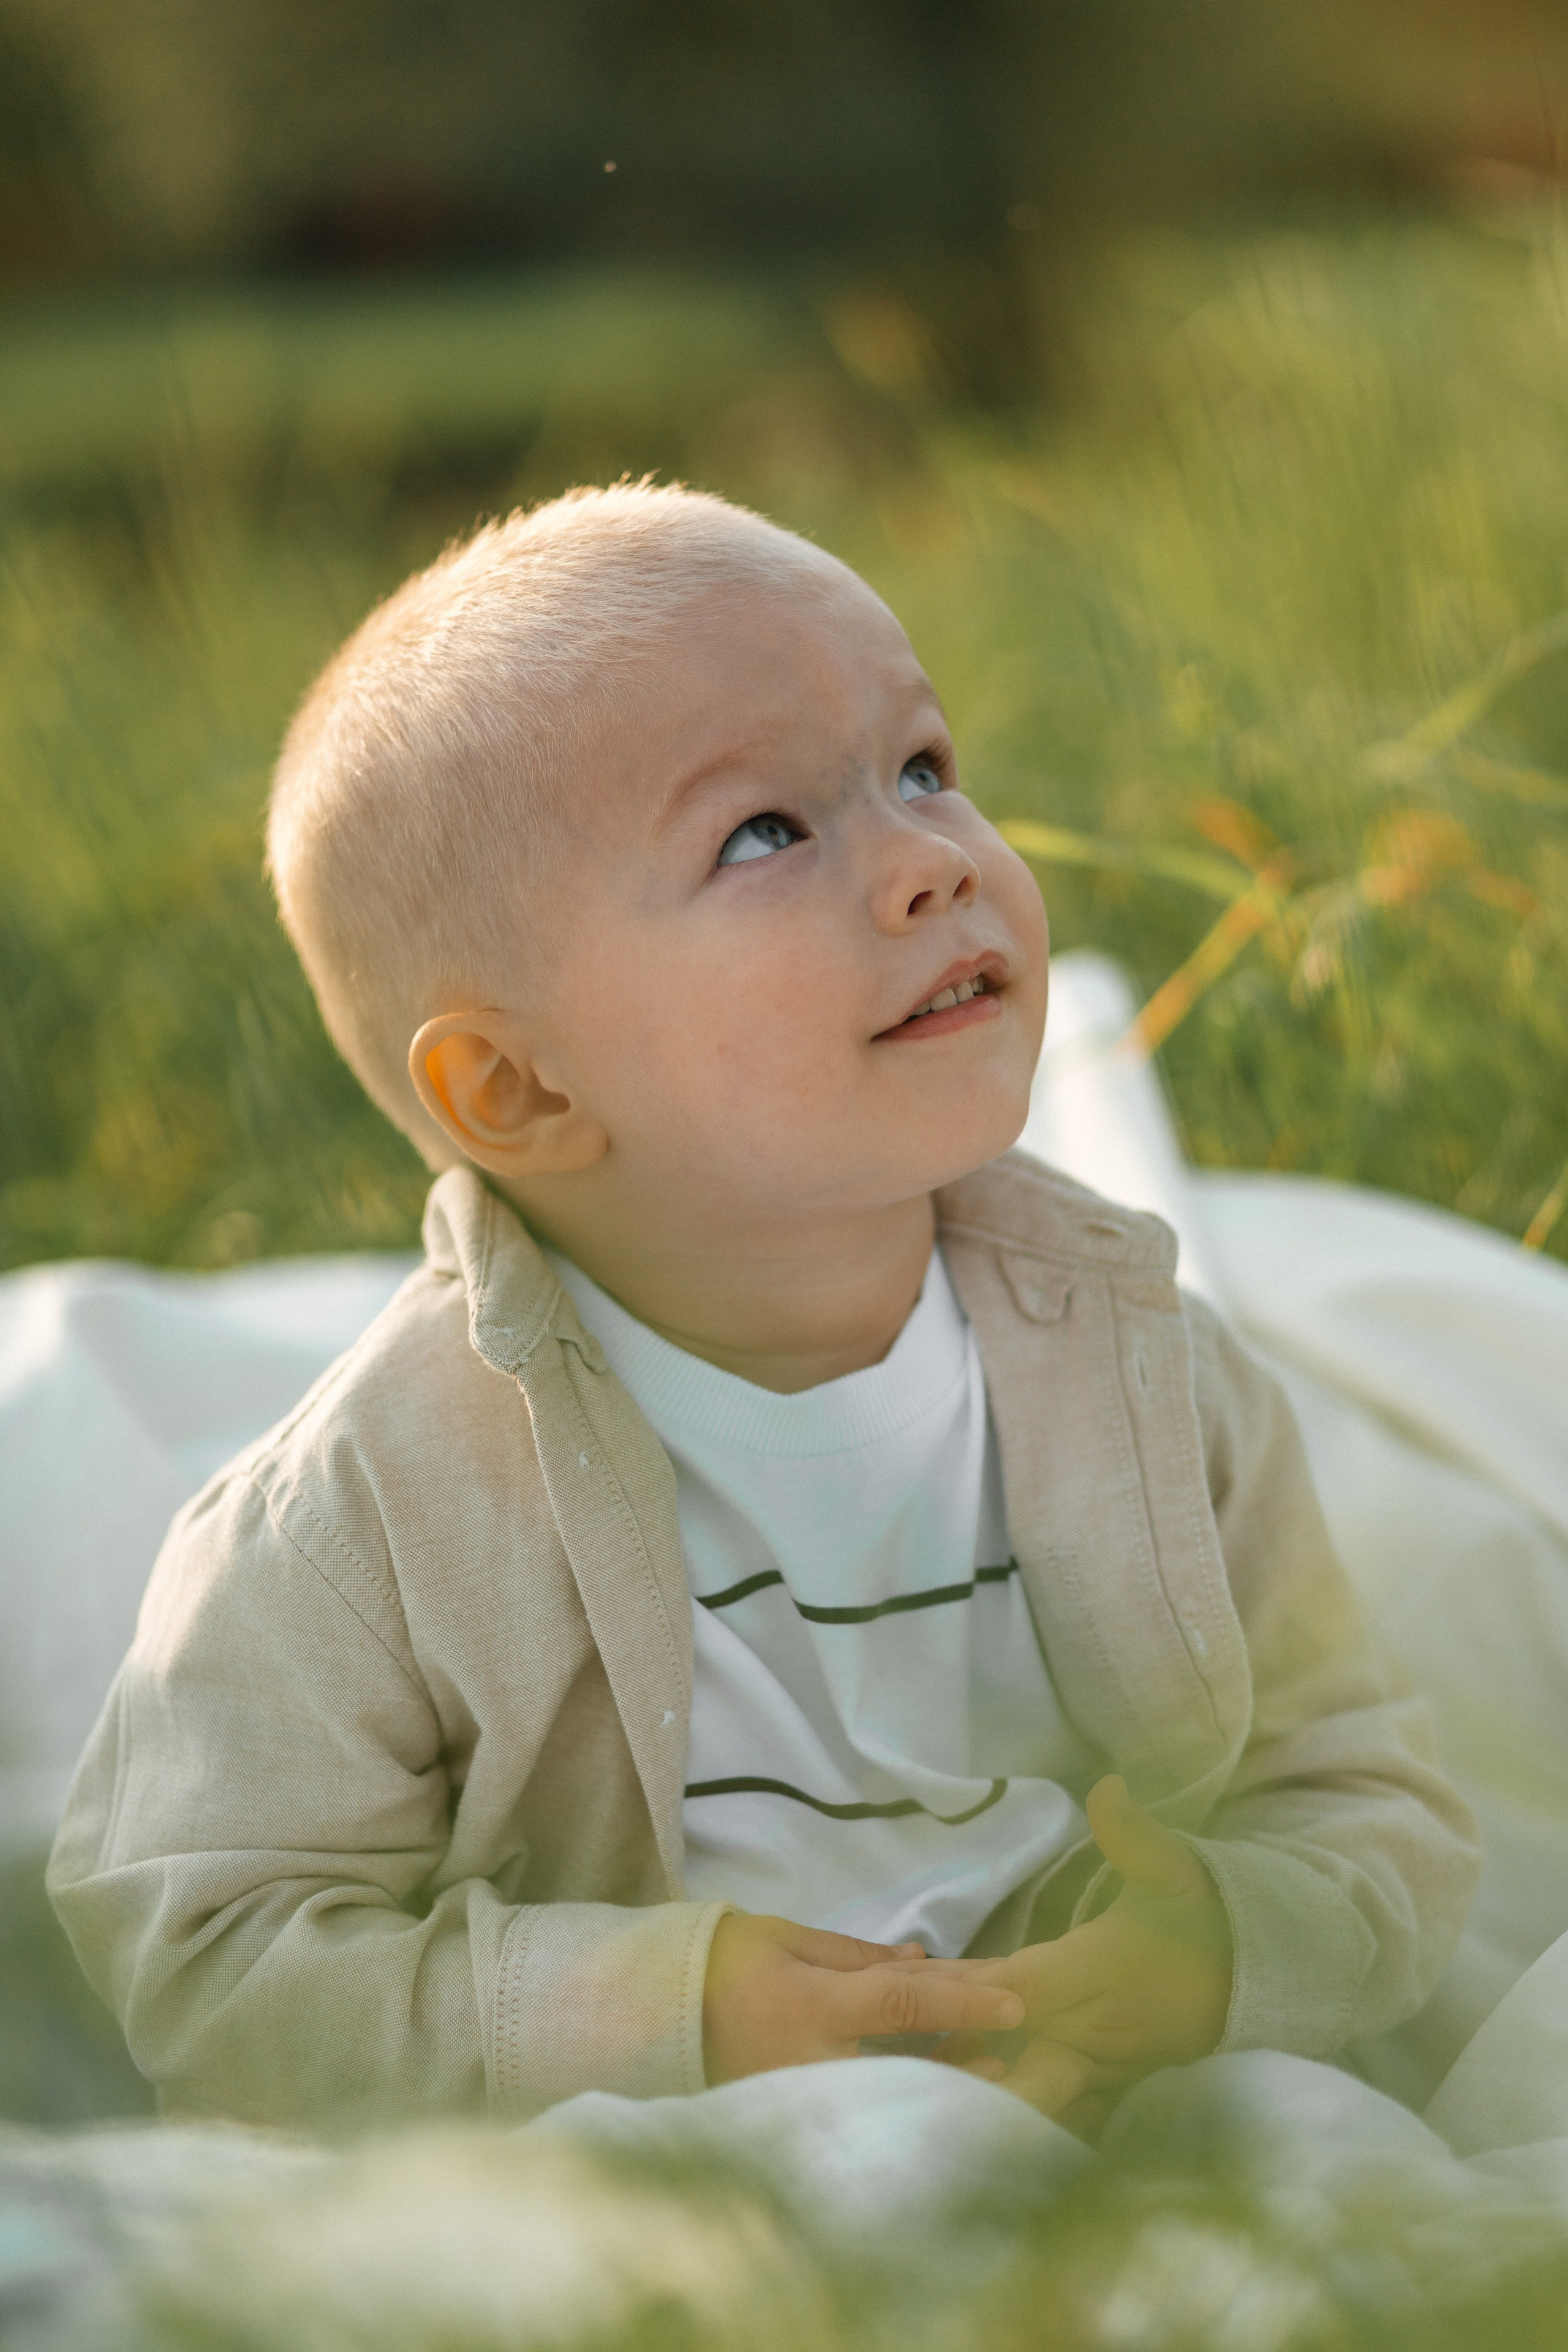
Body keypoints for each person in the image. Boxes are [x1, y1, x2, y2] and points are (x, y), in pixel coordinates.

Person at [48, 483, 1477, 2130]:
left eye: (924, 769)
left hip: (1112, 2119)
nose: (934, 863)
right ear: (514, 1088)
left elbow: (1371, 1798)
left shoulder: (1146, 1373)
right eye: (766, 833)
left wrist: (1224, 1947)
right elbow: (211, 1962)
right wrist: (660, 2009)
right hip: (677, 2158)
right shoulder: (366, 1517)